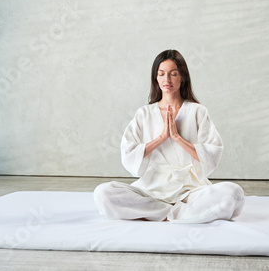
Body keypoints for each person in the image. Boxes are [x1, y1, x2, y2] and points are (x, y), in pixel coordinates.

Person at [94, 49, 244, 223]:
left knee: (234, 194)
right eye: (161, 74)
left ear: (182, 77)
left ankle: (159, 213)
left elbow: (211, 152)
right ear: (155, 78)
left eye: (173, 74)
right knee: (103, 194)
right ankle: (175, 212)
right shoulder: (144, 113)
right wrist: (161, 138)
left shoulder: (198, 111)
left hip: (191, 190)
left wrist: (177, 138)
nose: (167, 80)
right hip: (152, 187)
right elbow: (128, 151)